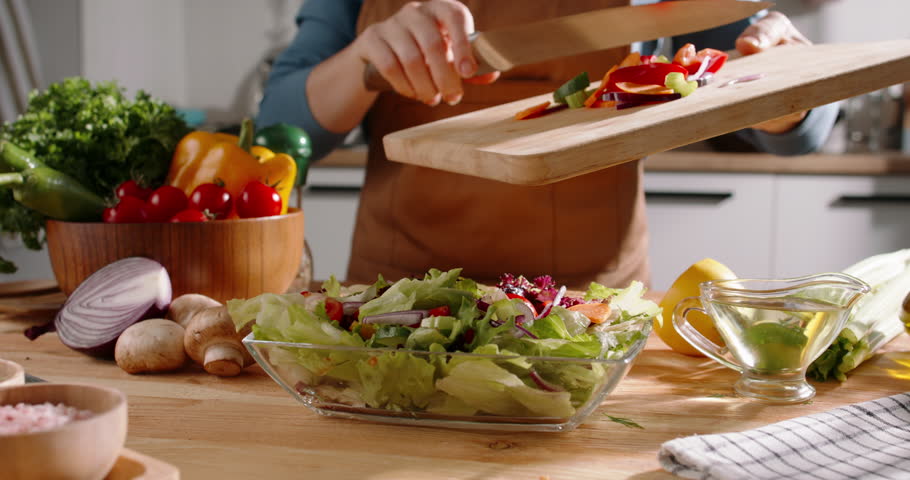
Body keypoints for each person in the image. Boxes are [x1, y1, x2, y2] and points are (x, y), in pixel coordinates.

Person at [257, 0, 837, 289]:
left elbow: (803, 125)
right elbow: (277, 127)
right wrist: (364, 60)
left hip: (590, 318)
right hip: (396, 306)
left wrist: (789, 93)